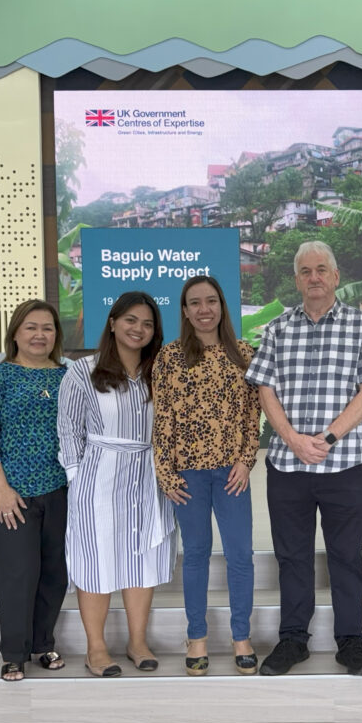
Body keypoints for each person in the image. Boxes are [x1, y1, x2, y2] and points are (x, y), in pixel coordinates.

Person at [246, 240, 362, 676]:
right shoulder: (276, 329)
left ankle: (351, 642)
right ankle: (293, 640)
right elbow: (264, 388)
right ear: (296, 280)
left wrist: (327, 438)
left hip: (343, 464)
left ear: (335, 276)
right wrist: (290, 438)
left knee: (346, 557)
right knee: (292, 557)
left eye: (321, 269)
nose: (314, 277)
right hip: (287, 466)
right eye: (305, 271)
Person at [57, 291, 177, 678]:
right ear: (112, 323)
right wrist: (78, 480)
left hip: (147, 475)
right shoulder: (83, 370)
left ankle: (137, 642)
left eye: (147, 323)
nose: (138, 329)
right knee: (97, 560)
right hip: (99, 476)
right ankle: (96, 648)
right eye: (130, 320)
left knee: (141, 557)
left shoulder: (161, 371)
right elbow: (69, 429)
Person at [154, 275, 260, 676]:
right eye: (195, 302)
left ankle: (241, 636)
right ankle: (196, 636)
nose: (204, 309)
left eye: (211, 301)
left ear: (222, 306)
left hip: (230, 472)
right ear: (184, 310)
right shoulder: (170, 357)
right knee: (196, 555)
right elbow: (162, 418)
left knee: (240, 555)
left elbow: (254, 416)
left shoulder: (244, 354)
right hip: (187, 475)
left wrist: (246, 460)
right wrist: (165, 471)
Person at [0, 299, 69, 681]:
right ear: (15, 332)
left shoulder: (67, 377)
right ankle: (14, 653)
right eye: (31, 327)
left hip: (59, 490)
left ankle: (43, 644)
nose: (39, 334)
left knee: (53, 572)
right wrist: (2, 489)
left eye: (47, 328)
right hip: (11, 493)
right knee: (17, 574)